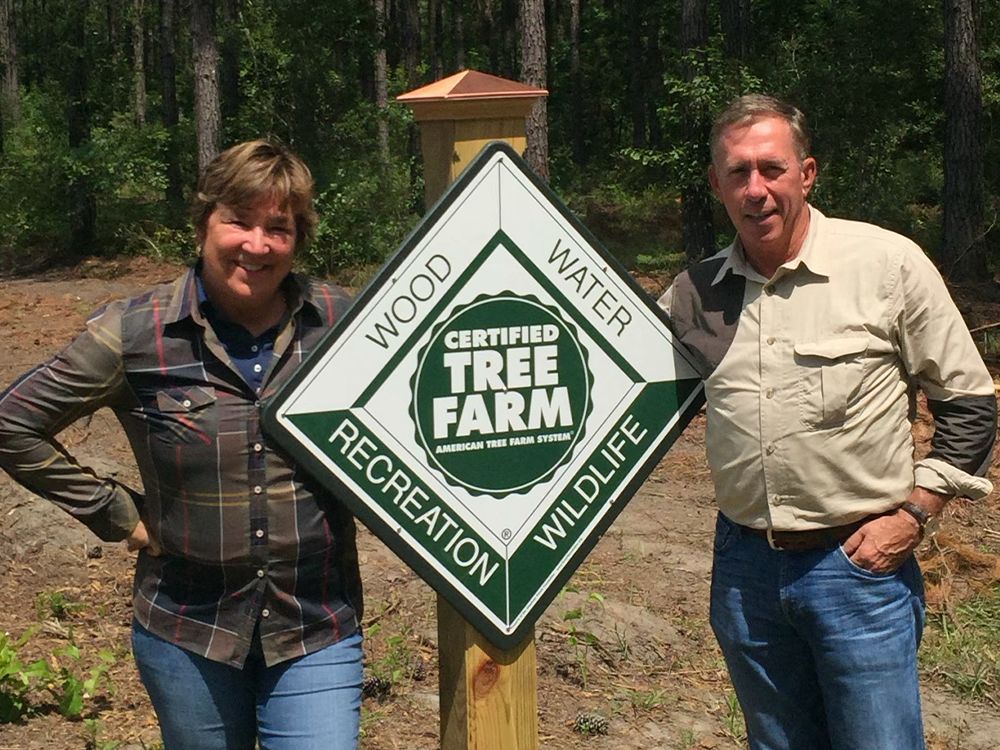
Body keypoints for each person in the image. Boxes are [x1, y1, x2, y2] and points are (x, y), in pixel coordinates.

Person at [0, 140, 363, 750]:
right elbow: (13, 422)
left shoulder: (344, 321)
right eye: (238, 221)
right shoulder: (136, 332)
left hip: (315, 624)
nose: (257, 244)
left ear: (299, 238)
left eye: (279, 227)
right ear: (203, 224)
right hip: (188, 627)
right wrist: (118, 515)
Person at [659, 94, 996, 750]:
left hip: (858, 571)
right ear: (715, 185)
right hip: (745, 573)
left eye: (772, 169)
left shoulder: (884, 265)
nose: (756, 189)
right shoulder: (694, 295)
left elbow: (970, 402)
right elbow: (627, 409)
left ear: (807, 173)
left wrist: (915, 514)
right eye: (738, 173)